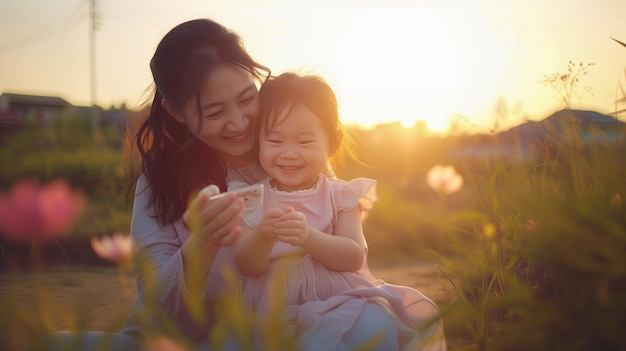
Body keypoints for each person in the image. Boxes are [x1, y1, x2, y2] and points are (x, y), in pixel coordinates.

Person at [28, 18, 425, 350]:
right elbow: (157, 306)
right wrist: (205, 243)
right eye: (214, 112)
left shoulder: (289, 153)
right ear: (176, 112)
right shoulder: (163, 178)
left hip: (300, 324)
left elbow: (349, 267)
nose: (238, 124)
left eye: (246, 98)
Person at [232, 72, 446, 350]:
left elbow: (353, 255)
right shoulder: (252, 197)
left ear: (332, 142)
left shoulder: (340, 194)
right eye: (275, 141)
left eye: (305, 142)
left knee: (374, 327)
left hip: (339, 299)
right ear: (258, 141)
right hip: (272, 308)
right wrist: (262, 235)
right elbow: (245, 266)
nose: (289, 152)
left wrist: (308, 237)